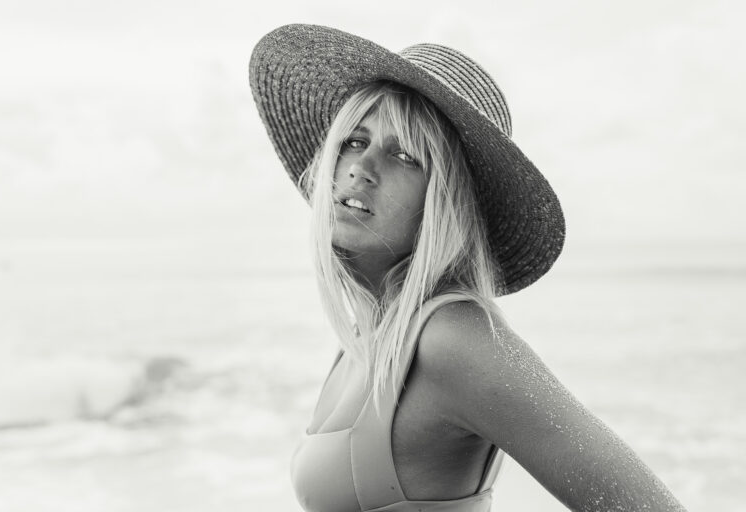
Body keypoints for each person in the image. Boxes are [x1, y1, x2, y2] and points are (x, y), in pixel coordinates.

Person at [249, 24, 686, 512]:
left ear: (445, 203)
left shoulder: (452, 338)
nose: (361, 167)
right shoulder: (368, 331)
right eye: (354, 140)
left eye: (403, 155)